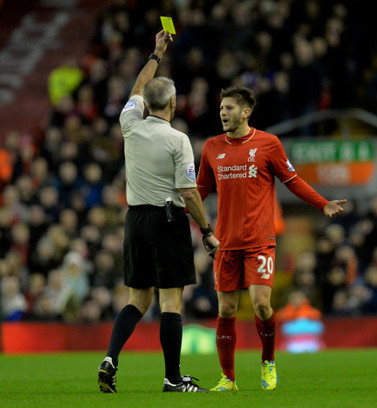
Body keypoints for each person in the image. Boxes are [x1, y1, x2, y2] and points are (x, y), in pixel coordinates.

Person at [196, 86, 346, 391]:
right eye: (221, 108)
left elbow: (292, 180)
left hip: (259, 240)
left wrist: (322, 203)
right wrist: (176, 208)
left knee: (261, 305)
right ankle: (228, 379)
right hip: (225, 242)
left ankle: (268, 362)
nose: (223, 113)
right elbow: (199, 191)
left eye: (229, 108)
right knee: (225, 310)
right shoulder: (212, 147)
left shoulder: (267, 143)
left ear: (246, 112)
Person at [97, 30, 219, 393]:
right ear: (174, 103)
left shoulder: (129, 124)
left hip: (135, 220)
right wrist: (207, 230)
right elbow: (188, 192)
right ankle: (172, 378)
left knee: (137, 299)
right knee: (170, 302)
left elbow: (137, 89)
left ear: (146, 104)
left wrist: (155, 54)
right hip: (168, 220)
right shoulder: (178, 139)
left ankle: (110, 358)